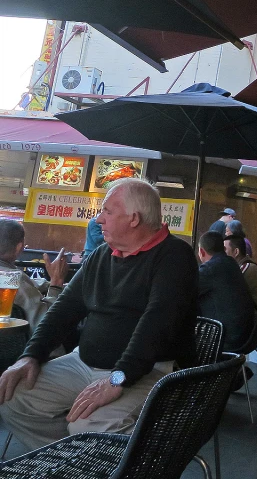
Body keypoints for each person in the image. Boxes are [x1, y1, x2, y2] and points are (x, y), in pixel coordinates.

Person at [0, 178, 198, 451]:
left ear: (133, 219)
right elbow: (64, 309)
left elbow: (158, 322)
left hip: (148, 370)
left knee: (87, 426)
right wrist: (31, 355)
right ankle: (74, 462)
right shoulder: (102, 255)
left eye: (107, 211)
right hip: (82, 362)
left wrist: (119, 378)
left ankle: (99, 460)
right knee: (12, 397)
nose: (98, 220)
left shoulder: (175, 255)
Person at [0, 220, 68, 333]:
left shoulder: (14, 276)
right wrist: (56, 283)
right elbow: (46, 323)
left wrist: (51, 284)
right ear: (19, 247)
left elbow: (30, 284)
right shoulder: (12, 280)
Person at [197, 231, 254, 351]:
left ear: (201, 251)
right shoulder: (231, 263)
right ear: (223, 248)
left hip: (225, 338)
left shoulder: (210, 268)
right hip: (245, 335)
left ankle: (182, 369)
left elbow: (184, 292)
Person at [224, 234, 257, 313]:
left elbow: (228, 290)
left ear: (236, 252)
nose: (222, 254)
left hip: (252, 318)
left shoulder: (247, 268)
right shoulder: (246, 266)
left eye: (224, 250)